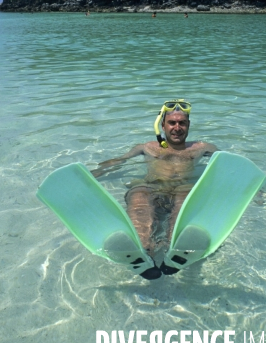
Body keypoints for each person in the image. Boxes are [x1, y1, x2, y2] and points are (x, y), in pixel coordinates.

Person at [91, 101, 218, 262]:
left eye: (182, 123)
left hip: (182, 189)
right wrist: (93, 174)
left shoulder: (202, 148)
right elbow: (120, 160)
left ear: (188, 125)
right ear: (163, 125)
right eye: (172, 123)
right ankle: (142, 249)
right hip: (151, 187)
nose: (177, 128)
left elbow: (228, 166)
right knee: (139, 194)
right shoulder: (148, 147)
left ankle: (176, 248)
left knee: (185, 197)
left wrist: (252, 189)